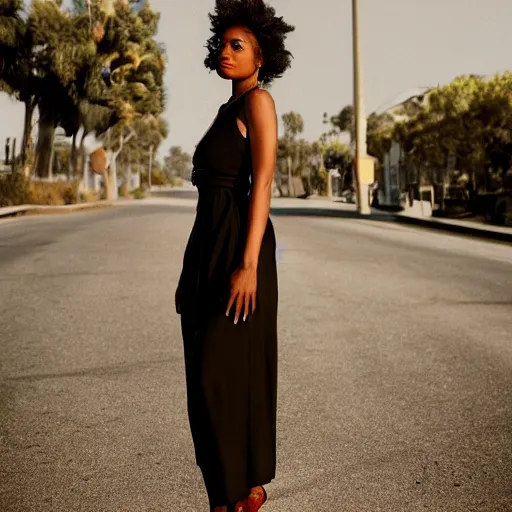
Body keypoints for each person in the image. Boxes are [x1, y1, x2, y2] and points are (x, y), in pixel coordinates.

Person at [174, 1, 294, 511]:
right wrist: (188, 272)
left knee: (219, 376)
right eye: (222, 44)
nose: (225, 51)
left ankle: (239, 492)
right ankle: (234, 495)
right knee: (203, 377)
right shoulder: (227, 110)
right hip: (207, 245)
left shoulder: (258, 103)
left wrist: (247, 265)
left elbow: (262, 181)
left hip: (238, 247)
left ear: (260, 56)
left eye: (237, 45)